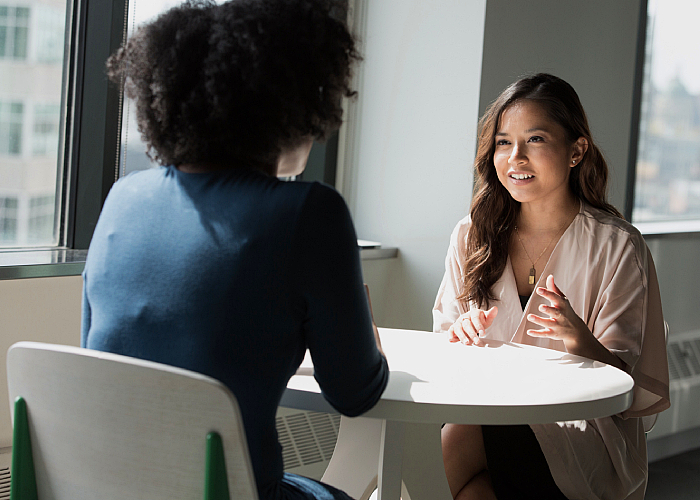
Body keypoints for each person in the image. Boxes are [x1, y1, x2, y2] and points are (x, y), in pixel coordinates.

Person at [80, 1, 389, 500]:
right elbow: (355, 393)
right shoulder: (310, 211)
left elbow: (102, 360)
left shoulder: (123, 198)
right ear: (291, 105)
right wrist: (366, 343)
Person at [433, 73, 670, 500]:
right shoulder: (471, 235)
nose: (515, 157)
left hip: (584, 433)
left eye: (535, 140)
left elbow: (626, 392)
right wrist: (458, 334)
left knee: (456, 441)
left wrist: (582, 342)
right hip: (484, 412)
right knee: (470, 480)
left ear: (576, 151)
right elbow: (442, 347)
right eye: (503, 142)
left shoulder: (618, 246)